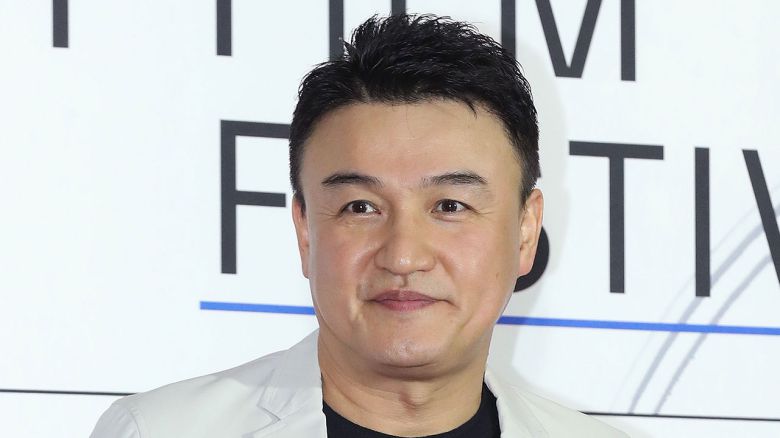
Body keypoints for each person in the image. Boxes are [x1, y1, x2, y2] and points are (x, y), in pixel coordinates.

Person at [91, 14, 627, 438]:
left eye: (449, 205)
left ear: (526, 231)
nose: (404, 256)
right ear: (305, 230)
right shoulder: (159, 431)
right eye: (361, 208)